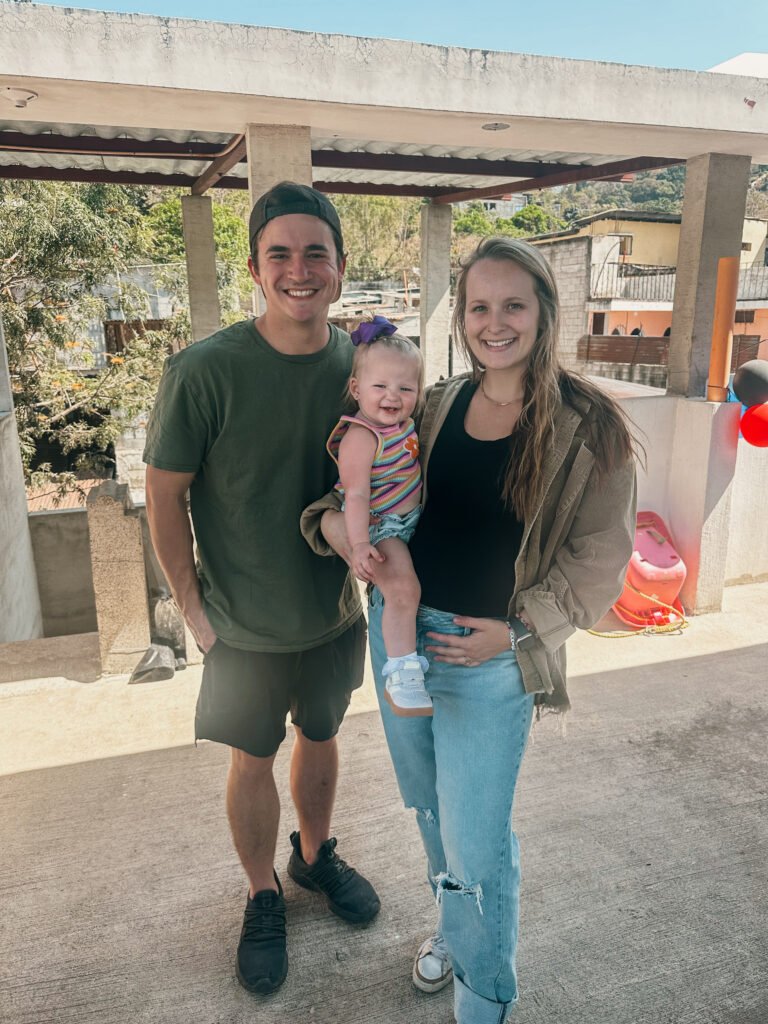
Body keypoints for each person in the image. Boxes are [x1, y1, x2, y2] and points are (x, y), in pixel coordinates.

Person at [303, 237, 637, 1023]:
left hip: (491, 664)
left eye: (513, 305)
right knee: (430, 811)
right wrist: (340, 533)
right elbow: (354, 494)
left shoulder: (589, 426)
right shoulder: (434, 403)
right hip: (402, 641)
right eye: (479, 306)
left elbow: (600, 560)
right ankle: (458, 933)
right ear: (461, 316)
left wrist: (520, 634)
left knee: (476, 840)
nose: (495, 323)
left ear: (544, 311)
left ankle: (484, 994)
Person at [143, 182, 380, 998]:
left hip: (333, 616)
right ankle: (261, 893)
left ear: (340, 265)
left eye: (316, 252)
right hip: (240, 628)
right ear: (253, 268)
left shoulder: (364, 368)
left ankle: (313, 857)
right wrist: (195, 614)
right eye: (280, 254)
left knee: (322, 735)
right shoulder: (203, 371)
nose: (298, 270)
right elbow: (164, 497)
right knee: (253, 759)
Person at [326, 315, 430, 715]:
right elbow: (354, 495)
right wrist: (359, 544)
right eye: (380, 386)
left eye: (405, 388)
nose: (393, 396)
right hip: (383, 527)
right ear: (356, 389)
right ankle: (402, 674)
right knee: (403, 590)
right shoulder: (361, 436)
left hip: (409, 521)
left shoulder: (404, 425)